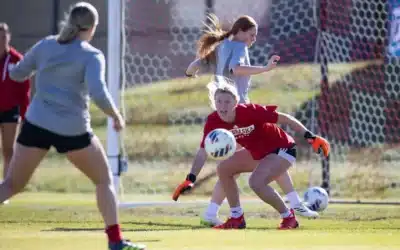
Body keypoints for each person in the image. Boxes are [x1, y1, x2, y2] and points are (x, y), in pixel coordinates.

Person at [0, 2, 145, 250]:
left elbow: (17, 73)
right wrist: (116, 116)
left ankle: (116, 241)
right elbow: (98, 92)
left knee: (12, 185)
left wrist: (32, 69)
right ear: (92, 27)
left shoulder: (46, 44)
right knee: (103, 180)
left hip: (36, 124)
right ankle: (115, 241)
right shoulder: (91, 55)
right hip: (73, 129)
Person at [183, 14, 319, 226]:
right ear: (240, 31)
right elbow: (237, 69)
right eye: (251, 34)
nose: (253, 39)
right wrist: (265, 69)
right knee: (257, 159)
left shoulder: (222, 46)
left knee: (246, 163)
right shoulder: (239, 46)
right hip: (239, 112)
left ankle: (215, 212)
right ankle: (292, 205)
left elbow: (197, 64)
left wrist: (190, 72)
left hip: (222, 112)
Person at [173, 80, 330, 229]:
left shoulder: (249, 111)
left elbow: (285, 118)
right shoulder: (213, 121)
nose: (222, 106)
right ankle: (237, 217)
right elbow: (203, 151)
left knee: (256, 182)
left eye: (227, 101)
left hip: (282, 149)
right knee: (224, 169)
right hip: (258, 153)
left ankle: (289, 217)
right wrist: (190, 178)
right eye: (219, 101)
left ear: (235, 102)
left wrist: (310, 136)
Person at [0, 23, 30, 205]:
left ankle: (4, 191)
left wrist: (26, 114)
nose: (1, 40)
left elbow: (24, 91)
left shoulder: (17, 60)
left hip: (10, 110)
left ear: (9, 38)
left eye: (4, 37)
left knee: (8, 150)